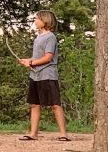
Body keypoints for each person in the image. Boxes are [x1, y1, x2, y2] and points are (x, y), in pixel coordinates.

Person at [18, 10, 70, 141]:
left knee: (55, 104)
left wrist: (32, 62)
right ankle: (33, 133)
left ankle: (63, 134)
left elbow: (48, 57)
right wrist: (28, 60)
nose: (34, 21)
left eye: (36, 19)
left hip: (48, 75)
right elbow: (38, 57)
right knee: (35, 104)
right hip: (35, 75)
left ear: (45, 21)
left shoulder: (50, 37)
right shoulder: (38, 38)